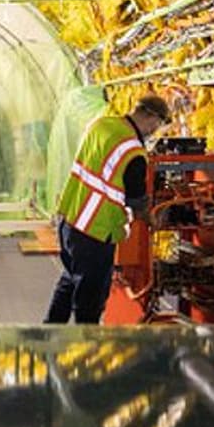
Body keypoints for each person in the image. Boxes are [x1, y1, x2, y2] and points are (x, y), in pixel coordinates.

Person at [46, 93, 172, 324]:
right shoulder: (134, 153)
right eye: (159, 124)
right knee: (91, 297)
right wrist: (154, 220)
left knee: (70, 280)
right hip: (95, 229)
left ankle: (47, 334)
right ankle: (87, 342)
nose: (156, 131)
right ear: (151, 117)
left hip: (70, 219)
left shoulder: (101, 124)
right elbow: (136, 202)